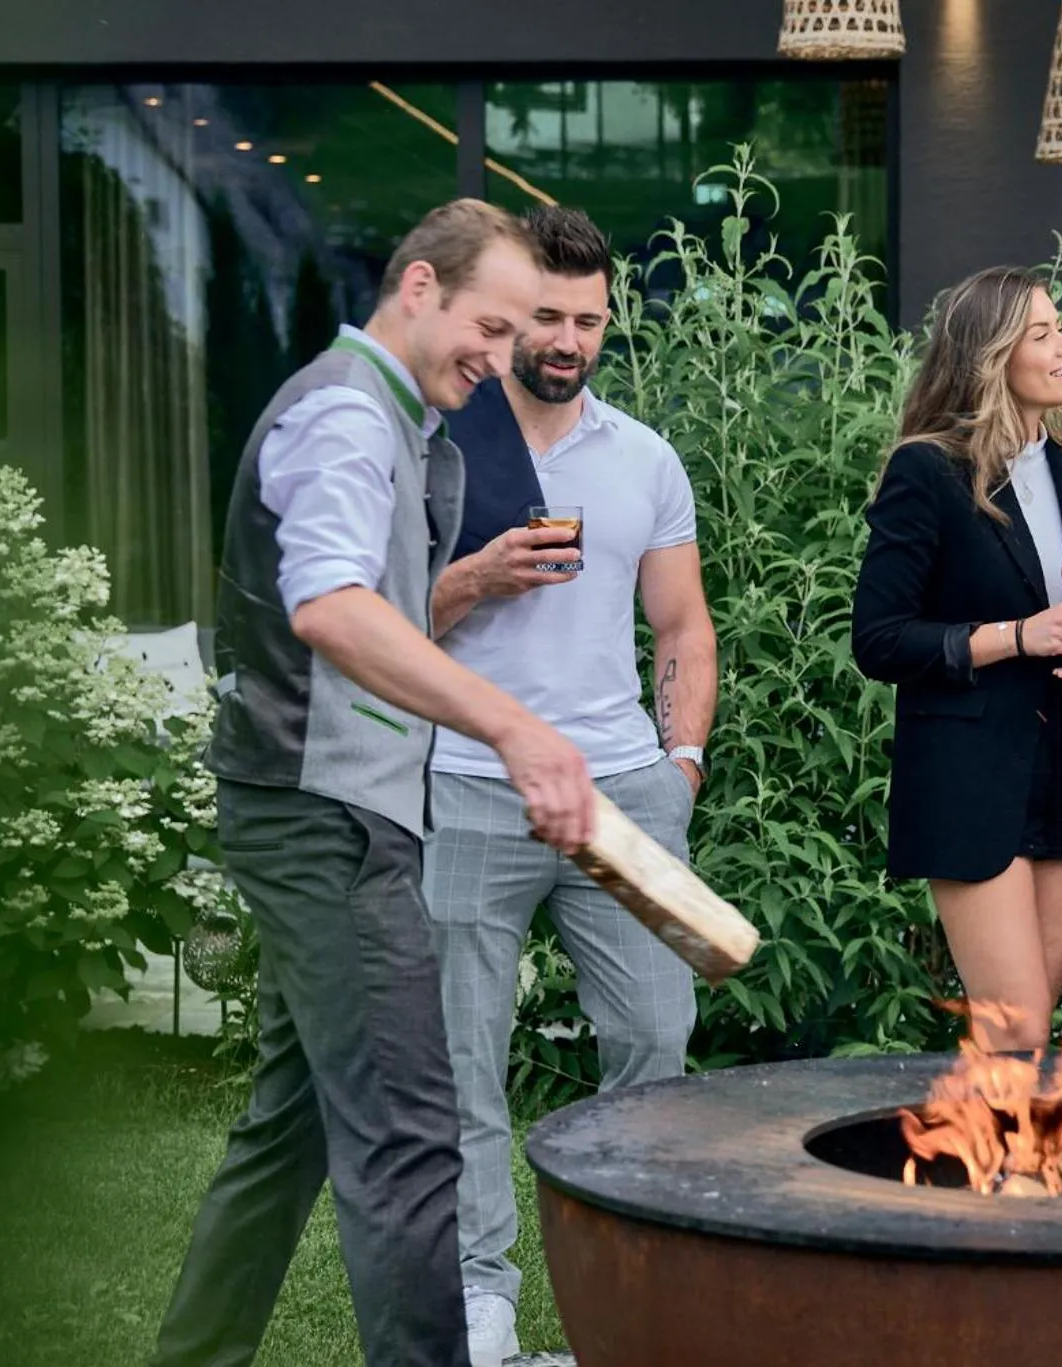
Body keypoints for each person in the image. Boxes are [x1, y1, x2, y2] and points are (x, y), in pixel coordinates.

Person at [152, 200, 596, 1367]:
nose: (498, 359)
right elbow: (331, 605)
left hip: (332, 807)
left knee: (291, 1132)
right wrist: (513, 727)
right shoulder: (348, 416)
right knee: (409, 1132)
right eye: (488, 327)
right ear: (415, 288)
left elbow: (376, 610)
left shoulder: (392, 422)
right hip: (324, 817)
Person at [423, 206, 717, 1367]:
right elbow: (376, 619)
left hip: (619, 794)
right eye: (546, 315)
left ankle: (629, 1287)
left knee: (658, 1031)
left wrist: (677, 767)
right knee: (461, 1052)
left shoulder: (641, 456)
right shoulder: (439, 443)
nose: (568, 337)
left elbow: (684, 627)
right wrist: (472, 579)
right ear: (504, 315)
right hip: (466, 781)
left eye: (588, 318)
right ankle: (478, 1296)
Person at [851, 266, 1062, 1053]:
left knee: (1029, 1033)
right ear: (992, 356)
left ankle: (1008, 1170)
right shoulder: (929, 470)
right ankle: (1001, 1174)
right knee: (1013, 1031)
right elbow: (878, 638)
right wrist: (1018, 635)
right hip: (973, 775)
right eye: (1043, 333)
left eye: (1061, 329)